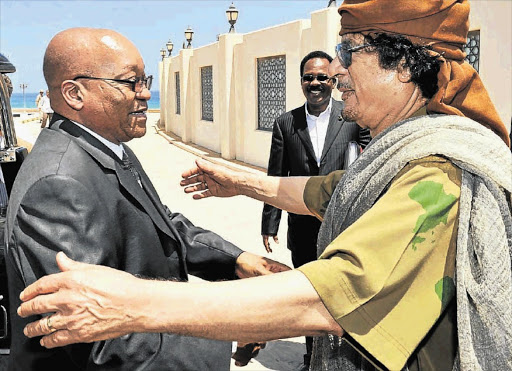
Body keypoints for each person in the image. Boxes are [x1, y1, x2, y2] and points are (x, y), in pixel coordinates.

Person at [17, 1, 512, 370]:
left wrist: (132, 304)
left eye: (349, 52)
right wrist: (240, 184)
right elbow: (323, 192)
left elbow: (331, 296)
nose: (336, 71)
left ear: (402, 66)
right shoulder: (394, 154)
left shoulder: (438, 172)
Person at [5, 27, 289, 371]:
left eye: (146, 79)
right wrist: (226, 336)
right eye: (131, 82)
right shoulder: (57, 185)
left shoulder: (104, 147)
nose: (145, 93)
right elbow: (97, 341)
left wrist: (237, 261)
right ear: (74, 93)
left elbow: (158, 222)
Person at [261, 50, 369, 367]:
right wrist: (270, 223)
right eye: (309, 77)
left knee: (344, 294)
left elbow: (367, 160)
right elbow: (276, 176)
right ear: (301, 82)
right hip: (303, 229)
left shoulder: (350, 116)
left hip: (344, 228)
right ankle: (312, 358)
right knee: (309, 296)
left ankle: (346, 357)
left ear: (333, 81)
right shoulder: (285, 124)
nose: (316, 83)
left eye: (322, 77)